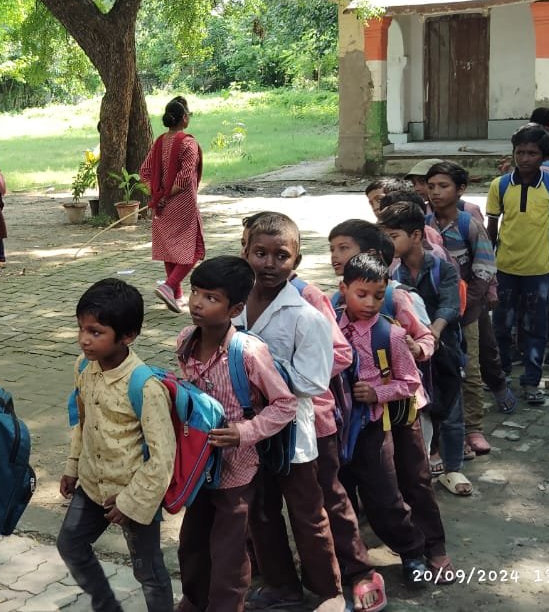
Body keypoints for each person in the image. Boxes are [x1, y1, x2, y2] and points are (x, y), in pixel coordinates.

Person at [174, 255, 297, 612]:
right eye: (195, 292)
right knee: (192, 541)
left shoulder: (249, 353)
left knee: (228, 551)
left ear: (235, 309)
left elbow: (285, 405)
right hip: (198, 465)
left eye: (211, 297)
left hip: (238, 470)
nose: (197, 303)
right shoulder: (185, 341)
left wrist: (244, 432)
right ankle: (193, 600)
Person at [234, 213, 342, 612]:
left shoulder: (305, 315)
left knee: (307, 513)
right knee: (260, 510)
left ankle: (328, 589)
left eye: (281, 256)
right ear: (245, 252)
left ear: (296, 261)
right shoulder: (234, 306)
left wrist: (264, 370)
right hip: (248, 429)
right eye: (260, 253)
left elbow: (314, 381)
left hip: (292, 433)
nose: (269, 264)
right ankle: (282, 585)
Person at [58, 278, 175, 610]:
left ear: (127, 336)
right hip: (92, 483)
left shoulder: (145, 387)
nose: (84, 339)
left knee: (148, 571)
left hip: (134, 492)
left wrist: (130, 502)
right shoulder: (84, 367)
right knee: (70, 544)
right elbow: (83, 422)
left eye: (96, 332)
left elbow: (163, 458)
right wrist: (72, 467)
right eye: (81, 328)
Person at [334, 253, 429, 585]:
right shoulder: (329, 326)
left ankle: (412, 552)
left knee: (385, 498)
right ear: (343, 289)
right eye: (361, 294)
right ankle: (348, 560)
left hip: (373, 429)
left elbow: (411, 382)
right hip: (334, 428)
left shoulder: (390, 335)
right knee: (340, 497)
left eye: (378, 295)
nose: (370, 303)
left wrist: (377, 392)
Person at [379, 202, 469, 508]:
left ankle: (454, 468)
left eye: (393, 236)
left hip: (443, 349)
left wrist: (433, 332)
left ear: (416, 235)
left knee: (451, 408)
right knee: (422, 409)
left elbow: (450, 305)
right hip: (411, 353)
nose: (388, 243)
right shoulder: (393, 272)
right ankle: (423, 462)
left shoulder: (443, 267)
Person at [424, 161, 512, 457]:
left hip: (468, 312)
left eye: (443, 186)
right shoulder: (423, 225)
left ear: (460, 189)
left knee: (471, 369)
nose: (436, 192)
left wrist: (464, 303)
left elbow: (485, 267)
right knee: (441, 370)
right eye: (431, 186)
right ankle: (443, 430)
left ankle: (473, 427)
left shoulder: (468, 225)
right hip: (434, 313)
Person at [486, 125, 549, 406]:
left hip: (541, 269)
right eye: (520, 152)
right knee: (501, 325)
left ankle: (532, 381)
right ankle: (501, 375)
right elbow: (491, 227)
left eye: (532, 153)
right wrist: (486, 264)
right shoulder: (499, 186)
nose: (524, 158)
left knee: (535, 327)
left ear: (544, 156)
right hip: (505, 267)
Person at [139, 97, 204, 313]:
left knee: (170, 249)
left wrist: (156, 194)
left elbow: (144, 172)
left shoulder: (159, 142)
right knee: (194, 249)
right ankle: (169, 286)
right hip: (183, 205)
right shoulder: (188, 143)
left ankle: (176, 296)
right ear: (184, 118)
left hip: (162, 206)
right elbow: (184, 177)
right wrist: (166, 194)